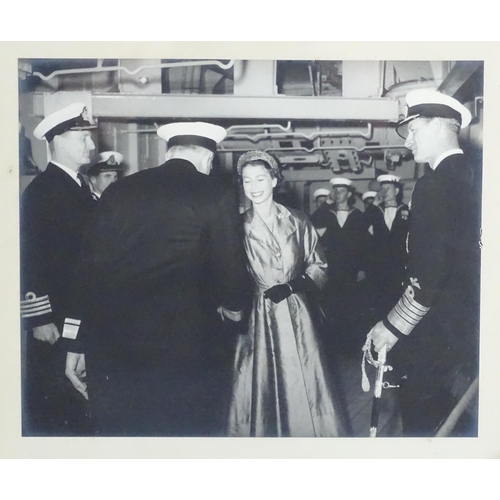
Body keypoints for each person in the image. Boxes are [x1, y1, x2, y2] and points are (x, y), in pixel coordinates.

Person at [64, 122, 252, 437]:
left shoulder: (118, 189)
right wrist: (234, 309)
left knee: (122, 433)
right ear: (208, 159)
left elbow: (89, 269)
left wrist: (75, 342)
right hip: (183, 343)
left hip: (114, 342)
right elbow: (230, 266)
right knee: (180, 431)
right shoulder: (216, 192)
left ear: (168, 152)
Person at [368, 89, 481, 437]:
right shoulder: (478, 175)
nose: (408, 142)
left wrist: (392, 326)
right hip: (471, 329)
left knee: (424, 424)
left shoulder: (433, 185)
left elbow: (429, 272)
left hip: (437, 332)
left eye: (414, 130)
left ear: (441, 126)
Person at [228, 151, 347, 437]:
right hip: (257, 314)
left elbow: (319, 265)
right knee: (259, 379)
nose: (254, 187)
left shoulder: (298, 220)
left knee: (304, 374)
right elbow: (227, 271)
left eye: (260, 179)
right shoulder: (236, 226)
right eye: (247, 181)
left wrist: (294, 286)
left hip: (297, 310)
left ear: (273, 180)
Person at [19, 102, 96, 435]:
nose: (91, 145)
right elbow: (27, 255)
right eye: (83, 138)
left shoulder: (80, 188)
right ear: (58, 141)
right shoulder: (41, 192)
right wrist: (39, 317)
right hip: (55, 319)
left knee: (78, 399)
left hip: (78, 313)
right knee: (55, 402)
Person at [310, 177, 370, 355]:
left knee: (352, 308)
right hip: (332, 270)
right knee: (331, 308)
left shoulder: (358, 216)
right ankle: (334, 349)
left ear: (349, 194)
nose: (337, 194)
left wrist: (363, 268)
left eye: (341, 191)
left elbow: (365, 245)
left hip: (352, 271)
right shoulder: (327, 214)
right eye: (335, 191)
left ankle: (351, 349)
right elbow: (312, 223)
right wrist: (326, 203)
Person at [364, 174, 410, 317]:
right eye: (382, 188)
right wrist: (375, 204)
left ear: (396, 191)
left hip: (399, 267)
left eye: (388, 188)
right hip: (378, 268)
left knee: (398, 305)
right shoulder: (375, 211)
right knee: (380, 307)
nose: (383, 192)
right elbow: (358, 227)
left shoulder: (407, 211)